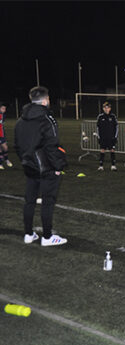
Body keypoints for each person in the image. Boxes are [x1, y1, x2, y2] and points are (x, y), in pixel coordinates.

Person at [14, 85, 68, 247]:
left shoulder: (20, 120)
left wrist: (26, 160)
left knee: (29, 201)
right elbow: (52, 146)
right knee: (48, 201)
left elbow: (17, 145)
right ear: (45, 100)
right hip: (47, 168)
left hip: (29, 166)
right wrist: (58, 167)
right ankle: (47, 236)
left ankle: (29, 234)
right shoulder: (47, 119)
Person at [96, 101, 119, 171]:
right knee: (102, 150)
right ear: (103, 109)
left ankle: (113, 165)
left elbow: (116, 127)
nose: (106, 109)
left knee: (112, 150)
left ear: (110, 108)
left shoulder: (113, 116)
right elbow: (98, 128)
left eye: (108, 108)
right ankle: (101, 166)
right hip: (103, 138)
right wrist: (99, 137)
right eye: (105, 108)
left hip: (111, 138)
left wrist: (115, 137)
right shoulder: (100, 117)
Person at [0, 102, 13, 169]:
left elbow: (2, 125)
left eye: (5, 108)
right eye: (3, 108)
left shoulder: (3, 115)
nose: (4, 110)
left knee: (5, 148)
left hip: (2, 134)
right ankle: (0, 163)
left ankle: (6, 160)